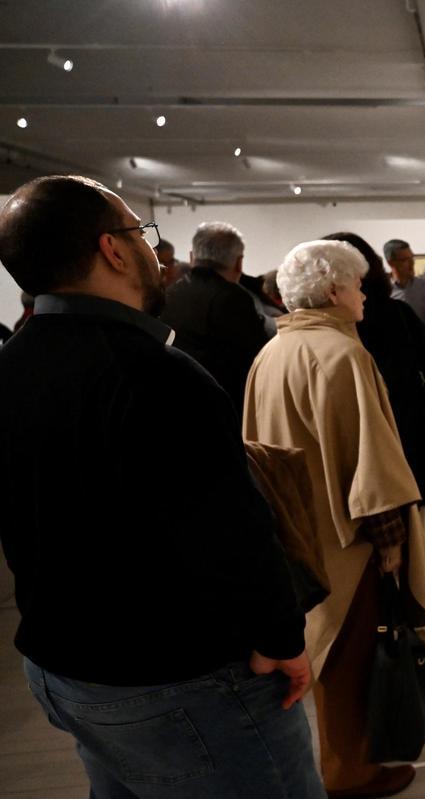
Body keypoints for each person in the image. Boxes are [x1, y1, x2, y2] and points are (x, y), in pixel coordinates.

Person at [0, 175, 323, 798]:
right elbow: (232, 535)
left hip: (61, 669)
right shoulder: (157, 375)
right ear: (113, 251)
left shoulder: (11, 365)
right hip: (176, 679)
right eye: (139, 233)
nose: (151, 250)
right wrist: (284, 639)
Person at [243, 240, 425, 798]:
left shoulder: (271, 354)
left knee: (330, 657)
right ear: (333, 291)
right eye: (358, 284)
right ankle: (349, 776)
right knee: (351, 661)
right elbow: (372, 465)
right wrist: (391, 550)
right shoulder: (342, 354)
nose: (364, 295)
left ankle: (344, 765)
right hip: (347, 542)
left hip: (298, 535)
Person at [324, 231, 425, 503]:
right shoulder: (396, 314)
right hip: (400, 426)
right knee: (407, 514)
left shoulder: (320, 328)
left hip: (345, 438)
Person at [160, 221, 270, 416]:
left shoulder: (169, 294)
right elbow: (258, 358)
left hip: (174, 402)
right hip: (224, 408)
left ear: (192, 257)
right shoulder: (234, 298)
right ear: (239, 262)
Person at [383, 238, 425, 329]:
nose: (412, 263)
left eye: (412, 258)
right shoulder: (383, 292)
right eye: (405, 260)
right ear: (391, 263)